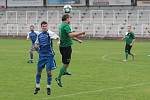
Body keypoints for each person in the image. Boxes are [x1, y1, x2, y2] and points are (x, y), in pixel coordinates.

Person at [55, 14, 85, 87]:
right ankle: (58, 78)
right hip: (66, 47)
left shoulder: (61, 25)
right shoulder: (66, 26)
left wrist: (77, 40)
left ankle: (64, 71)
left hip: (63, 47)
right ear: (67, 19)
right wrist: (80, 33)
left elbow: (67, 36)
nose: (70, 20)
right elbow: (71, 35)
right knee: (66, 63)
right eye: (69, 18)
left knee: (67, 62)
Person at [34, 21, 56, 95]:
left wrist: (58, 40)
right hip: (41, 56)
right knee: (39, 71)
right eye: (43, 26)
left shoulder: (50, 34)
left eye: (45, 26)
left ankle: (48, 87)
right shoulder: (39, 35)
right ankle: (37, 87)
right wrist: (36, 47)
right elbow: (36, 44)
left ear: (47, 27)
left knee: (49, 72)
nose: (44, 27)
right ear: (41, 27)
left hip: (49, 56)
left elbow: (56, 37)